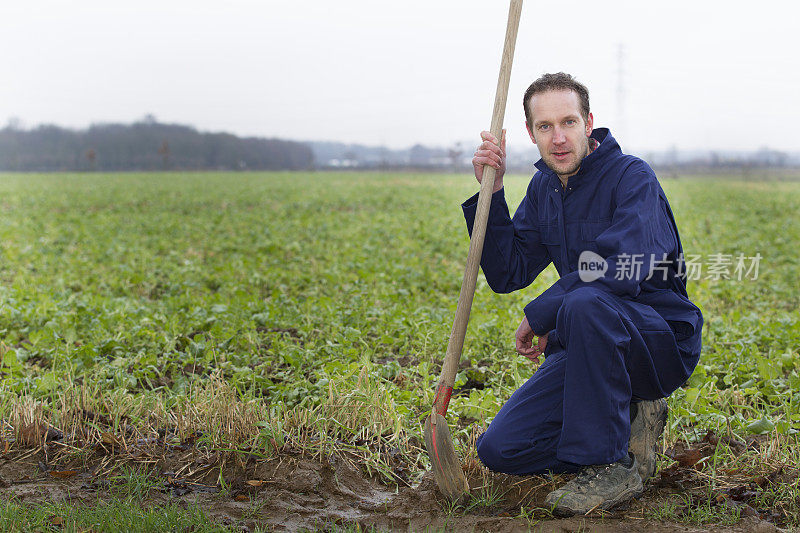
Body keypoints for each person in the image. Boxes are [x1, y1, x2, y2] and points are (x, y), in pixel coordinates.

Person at [463, 72, 703, 515]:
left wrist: (543, 312)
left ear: (588, 122)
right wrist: (491, 194)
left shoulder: (633, 178)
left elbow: (615, 268)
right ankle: (629, 430)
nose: (558, 138)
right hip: (587, 340)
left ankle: (609, 464)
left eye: (568, 122)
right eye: (544, 127)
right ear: (531, 134)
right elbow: (507, 271)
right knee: (502, 449)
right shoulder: (544, 189)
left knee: (585, 300)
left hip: (656, 340)